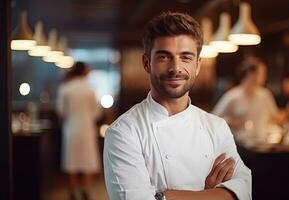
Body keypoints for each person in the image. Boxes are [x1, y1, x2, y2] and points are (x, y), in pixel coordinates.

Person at [103, 12, 251, 200]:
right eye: (164, 57)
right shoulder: (123, 132)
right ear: (147, 63)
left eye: (186, 57)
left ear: (197, 65)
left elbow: (243, 191)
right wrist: (209, 194)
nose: (176, 68)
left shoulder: (217, 127)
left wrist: (165, 196)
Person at [56, 62, 102, 200]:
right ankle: (85, 191)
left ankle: (72, 192)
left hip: (70, 128)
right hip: (86, 128)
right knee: (87, 160)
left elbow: (61, 111)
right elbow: (96, 112)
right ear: (83, 72)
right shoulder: (90, 89)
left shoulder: (65, 88)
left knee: (71, 160)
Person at [212, 57, 280, 142]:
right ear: (251, 74)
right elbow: (213, 118)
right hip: (240, 144)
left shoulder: (265, 95)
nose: (264, 76)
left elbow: (274, 116)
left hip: (262, 143)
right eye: (262, 73)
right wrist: (232, 122)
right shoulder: (233, 96)